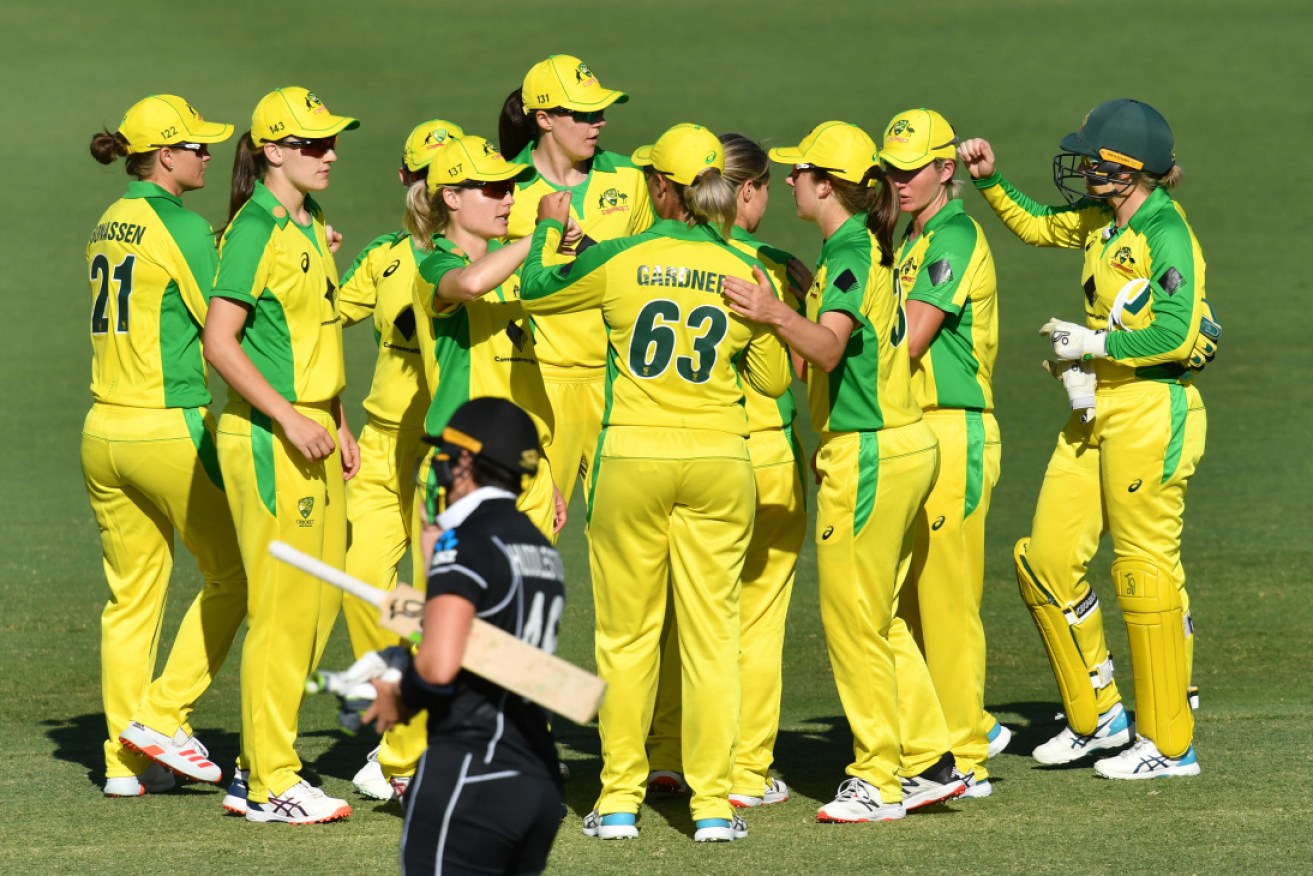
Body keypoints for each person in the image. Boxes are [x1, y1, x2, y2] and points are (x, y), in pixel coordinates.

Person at [520, 122, 791, 843]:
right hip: (719, 464)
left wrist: (550, 230)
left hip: (630, 464)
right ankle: (711, 807)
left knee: (626, 639)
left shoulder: (622, 257)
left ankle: (615, 804)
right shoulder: (745, 268)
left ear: (661, 189)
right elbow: (769, 377)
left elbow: (536, 292)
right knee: (710, 640)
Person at [958, 98, 1212, 778]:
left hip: (1150, 412)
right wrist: (988, 181)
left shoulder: (1164, 233)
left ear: (1129, 170)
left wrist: (1092, 340)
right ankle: (1100, 718)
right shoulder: (1102, 221)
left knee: (1142, 572)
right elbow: (1041, 227)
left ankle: (1168, 744)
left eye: (1096, 159)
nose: (1083, 167)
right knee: (1042, 561)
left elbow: (1182, 333)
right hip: (1094, 410)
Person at [723, 121, 966, 823]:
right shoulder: (859, 245)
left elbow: (827, 349)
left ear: (824, 184)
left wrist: (770, 312)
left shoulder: (852, 248)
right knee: (879, 617)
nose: (788, 181)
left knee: (852, 623)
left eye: (798, 172)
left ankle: (876, 779)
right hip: (891, 442)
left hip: (872, 453)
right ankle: (926, 759)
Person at [204, 86, 360, 823]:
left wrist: (335, 418)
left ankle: (254, 766)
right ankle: (271, 781)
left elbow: (315, 333)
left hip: (316, 435)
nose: (328, 154)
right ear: (272, 150)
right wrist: (289, 420)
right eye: (311, 144)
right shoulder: (252, 231)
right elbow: (220, 342)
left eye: (330, 142)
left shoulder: (311, 222)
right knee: (283, 612)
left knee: (320, 604)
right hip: (271, 442)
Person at [82, 94, 245, 797]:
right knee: (234, 576)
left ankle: (125, 766)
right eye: (198, 147)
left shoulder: (108, 220)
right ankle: (159, 717)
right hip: (168, 426)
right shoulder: (176, 224)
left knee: (130, 602)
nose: (208, 155)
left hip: (102, 433)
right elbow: (226, 314)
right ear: (166, 155)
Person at [645, 133, 807, 809]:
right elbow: (790, 372)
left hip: (675, 453)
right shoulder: (770, 268)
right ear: (745, 193)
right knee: (754, 625)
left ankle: (664, 753)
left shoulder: (660, 260)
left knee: (675, 620)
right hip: (763, 459)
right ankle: (742, 771)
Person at [364, 397, 567, 876]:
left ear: (466, 463)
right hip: (537, 780)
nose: (437, 467)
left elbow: (438, 666)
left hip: (473, 775)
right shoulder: (540, 547)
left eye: (444, 456)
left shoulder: (463, 539)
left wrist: (398, 691)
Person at [335, 118, 466, 802]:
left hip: (440, 452)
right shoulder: (384, 256)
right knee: (364, 582)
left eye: (450, 179)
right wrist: (328, 411)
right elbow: (320, 321)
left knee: (434, 600)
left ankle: (410, 746)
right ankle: (408, 736)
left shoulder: (475, 264)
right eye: (426, 177)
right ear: (407, 181)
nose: (435, 191)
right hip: (381, 444)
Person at [878, 108, 1007, 797]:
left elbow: (911, 339)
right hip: (916, 430)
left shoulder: (953, 235)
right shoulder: (912, 237)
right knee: (908, 598)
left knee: (945, 601)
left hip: (952, 430)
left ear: (943, 170)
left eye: (910, 170)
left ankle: (966, 753)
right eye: (889, 171)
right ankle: (939, 740)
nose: (897, 182)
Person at [499, 54, 652, 508]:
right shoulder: (506, 188)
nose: (598, 123)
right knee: (531, 525)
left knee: (627, 534)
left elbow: (650, 270)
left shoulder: (629, 178)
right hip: (539, 385)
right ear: (543, 118)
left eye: (601, 112)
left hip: (620, 384)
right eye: (583, 114)